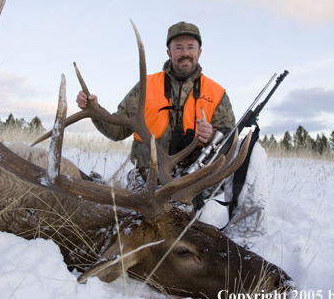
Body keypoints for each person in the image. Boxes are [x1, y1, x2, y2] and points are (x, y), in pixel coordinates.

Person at [76, 21, 235, 190]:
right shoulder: (146, 85)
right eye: (178, 48)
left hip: (194, 179)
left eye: (191, 47)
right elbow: (117, 131)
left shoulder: (216, 93)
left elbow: (231, 140)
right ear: (169, 52)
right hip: (147, 177)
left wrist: (211, 136)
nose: (185, 53)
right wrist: (95, 111)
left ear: (199, 52)